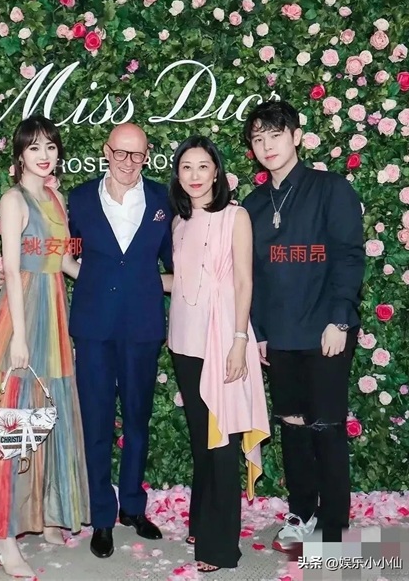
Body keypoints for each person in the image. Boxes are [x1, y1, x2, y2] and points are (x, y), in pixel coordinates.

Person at [0, 115, 90, 577]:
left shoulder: (55, 198)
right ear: (19, 155)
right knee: (12, 416)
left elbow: (66, 264)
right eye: (35, 147)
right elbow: (13, 271)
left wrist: (117, 281)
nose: (44, 155)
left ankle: (45, 513)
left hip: (54, 311)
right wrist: (18, 333)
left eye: (51, 147)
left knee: (48, 409)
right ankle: (1, 533)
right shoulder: (13, 200)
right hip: (22, 314)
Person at [242, 100, 365, 550]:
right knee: (292, 427)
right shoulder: (254, 205)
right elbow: (252, 275)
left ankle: (334, 529)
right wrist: (259, 332)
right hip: (279, 335)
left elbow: (349, 256)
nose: (267, 145)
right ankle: (301, 512)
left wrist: (339, 318)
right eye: (258, 139)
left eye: (275, 135)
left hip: (325, 330)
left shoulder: (330, 189)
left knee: (327, 428)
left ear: (295, 136)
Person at [161, 136, 270, 573]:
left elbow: (244, 281)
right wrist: (126, 277)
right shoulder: (178, 222)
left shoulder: (235, 216)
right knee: (200, 441)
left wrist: (240, 339)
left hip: (223, 339)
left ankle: (220, 547)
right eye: (186, 167)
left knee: (221, 441)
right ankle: (200, 521)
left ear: (217, 172)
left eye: (203, 166)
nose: (194, 175)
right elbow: (181, 281)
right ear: (177, 174)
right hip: (184, 343)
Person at [68, 123, 173, 558]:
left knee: (136, 420)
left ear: (147, 156)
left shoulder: (164, 200)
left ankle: (132, 507)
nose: (128, 163)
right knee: (96, 424)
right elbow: (62, 254)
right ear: (106, 151)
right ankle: (102, 517)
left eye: (137, 155)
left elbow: (178, 263)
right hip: (93, 327)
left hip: (143, 328)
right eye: (121, 153)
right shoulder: (78, 199)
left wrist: (151, 286)